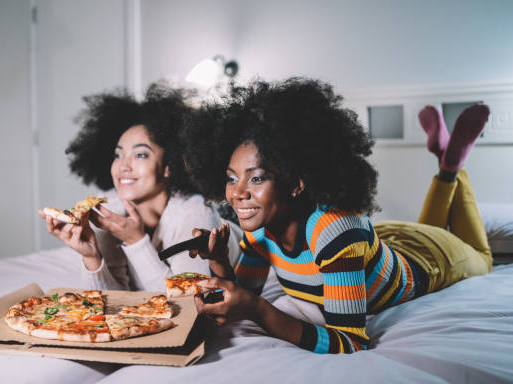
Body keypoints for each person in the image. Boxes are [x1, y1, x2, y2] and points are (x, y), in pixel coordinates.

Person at [182, 77, 492, 354]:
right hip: (390, 239)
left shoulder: (336, 231)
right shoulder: (259, 230)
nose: (238, 193)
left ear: (296, 183)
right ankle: (444, 159)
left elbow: (352, 342)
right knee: (425, 227)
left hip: (431, 259)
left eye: (257, 178)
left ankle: (450, 167)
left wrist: (260, 311)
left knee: (482, 255)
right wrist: (219, 259)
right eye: (231, 178)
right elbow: (242, 298)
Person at [39, 83, 242, 293]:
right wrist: (91, 257)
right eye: (118, 155)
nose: (123, 166)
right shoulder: (108, 210)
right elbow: (111, 301)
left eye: (140, 154)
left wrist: (136, 242)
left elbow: (188, 302)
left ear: (168, 166)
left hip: (237, 235)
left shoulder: (194, 214)